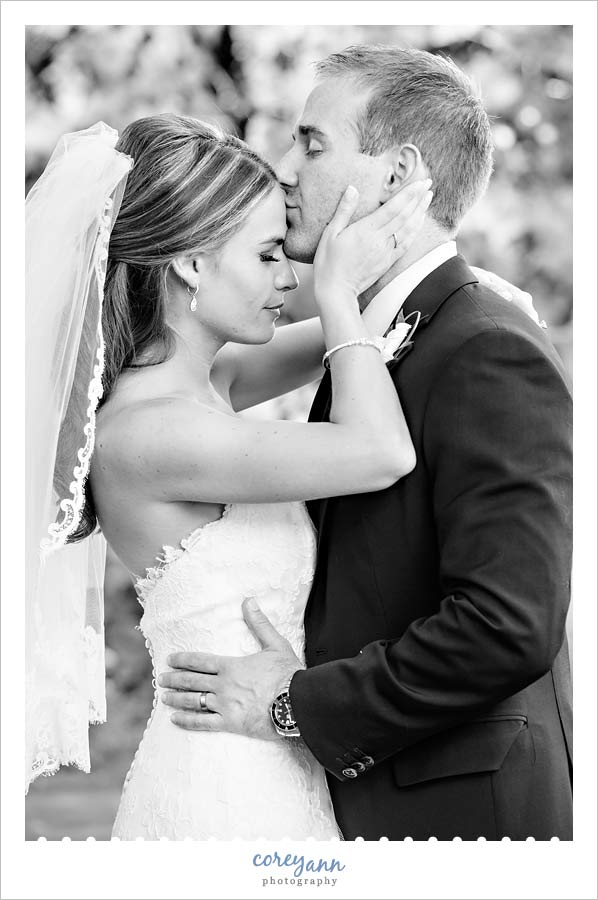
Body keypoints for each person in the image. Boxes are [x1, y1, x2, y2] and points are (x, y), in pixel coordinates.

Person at [159, 46, 573, 841]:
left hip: (460, 818)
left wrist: (296, 702)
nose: (283, 169)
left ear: (396, 174)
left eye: (311, 143)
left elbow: (507, 624)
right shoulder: (379, 335)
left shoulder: (484, 345)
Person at [27, 111, 439, 837]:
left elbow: (378, 328)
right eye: (269, 255)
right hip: (221, 788)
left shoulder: (207, 382)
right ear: (190, 263)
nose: (291, 278)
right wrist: (338, 295)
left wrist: (422, 262)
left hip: (268, 751)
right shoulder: (156, 432)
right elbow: (381, 450)